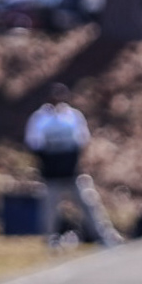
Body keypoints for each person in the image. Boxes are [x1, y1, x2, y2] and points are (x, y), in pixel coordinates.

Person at [24, 83, 117, 246]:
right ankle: (51, 239)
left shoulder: (73, 116)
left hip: (72, 173)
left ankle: (104, 236)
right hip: (51, 175)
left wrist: (76, 162)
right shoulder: (39, 118)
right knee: (49, 210)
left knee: (89, 204)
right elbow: (34, 143)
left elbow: (82, 141)